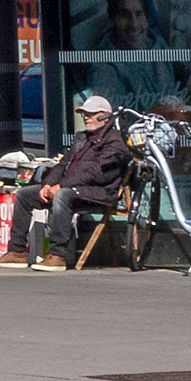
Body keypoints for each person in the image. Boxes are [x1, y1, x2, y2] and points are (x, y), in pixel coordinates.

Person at [37, 90, 132, 269]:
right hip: (71, 187)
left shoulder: (115, 143)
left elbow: (95, 174)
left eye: (90, 114)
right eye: (84, 114)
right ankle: (16, 251)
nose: (86, 117)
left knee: (63, 195)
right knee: (26, 195)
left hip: (100, 192)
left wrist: (61, 185)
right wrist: (48, 184)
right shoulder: (82, 138)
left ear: (104, 116)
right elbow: (62, 165)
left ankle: (58, 254)